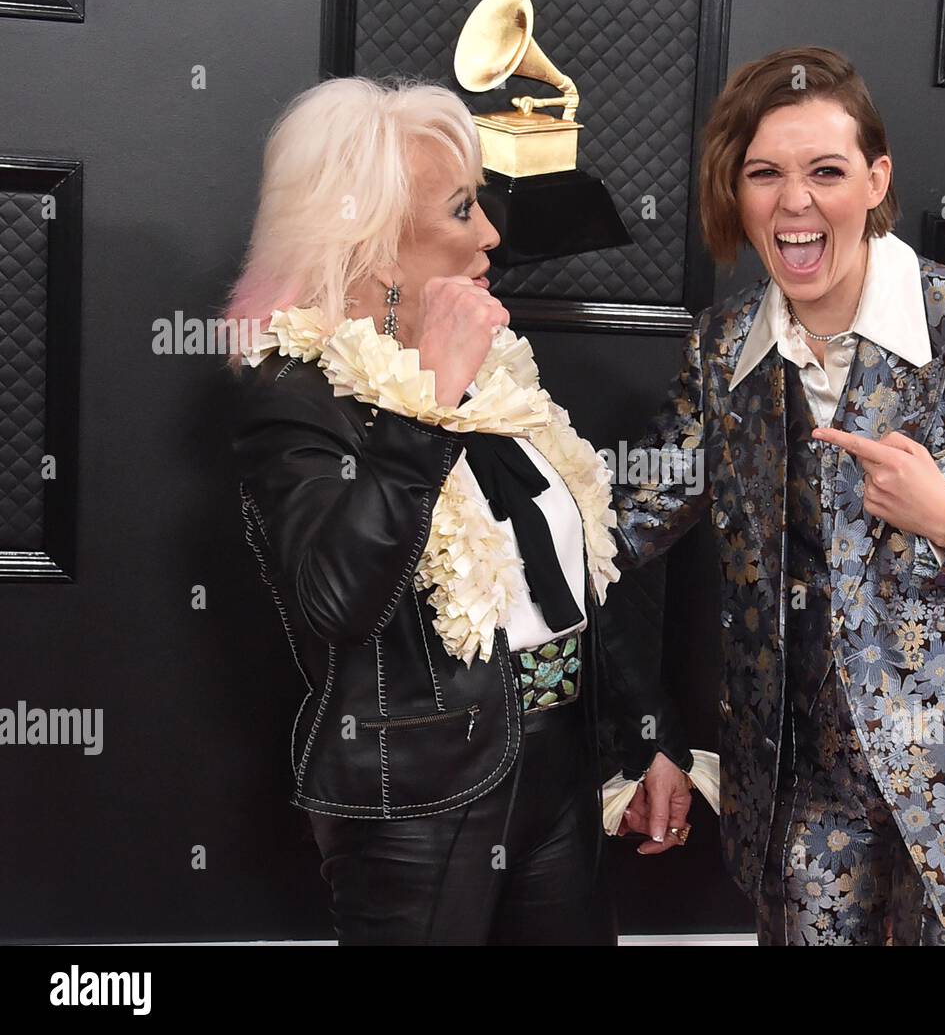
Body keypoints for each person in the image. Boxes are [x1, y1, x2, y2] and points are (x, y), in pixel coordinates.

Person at [612, 46, 945, 945]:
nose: (794, 202)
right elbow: (632, 519)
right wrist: (470, 479)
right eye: (765, 174)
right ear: (738, 193)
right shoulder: (722, 349)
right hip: (805, 791)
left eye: (826, 172)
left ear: (876, 181)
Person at [224, 76, 693, 945]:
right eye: (460, 211)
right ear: (370, 242)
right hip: (420, 796)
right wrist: (425, 403)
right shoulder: (296, 395)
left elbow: (590, 569)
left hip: (559, 770)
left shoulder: (502, 370)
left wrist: (642, 742)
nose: (490, 234)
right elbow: (337, 602)